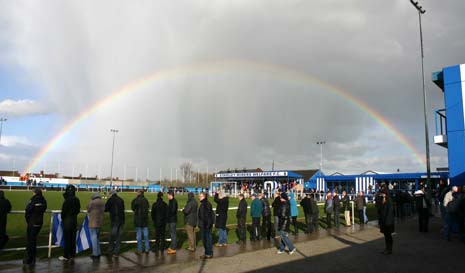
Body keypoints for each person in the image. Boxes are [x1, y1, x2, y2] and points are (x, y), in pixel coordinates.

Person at [24, 189, 47, 265]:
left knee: (31, 241)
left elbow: (28, 209)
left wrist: (28, 219)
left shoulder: (33, 199)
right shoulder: (44, 200)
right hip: (40, 222)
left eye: (33, 193)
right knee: (33, 240)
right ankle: (31, 258)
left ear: (35, 193)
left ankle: (30, 259)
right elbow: (44, 209)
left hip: (32, 222)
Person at [59, 185, 81, 261]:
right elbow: (78, 210)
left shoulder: (67, 200)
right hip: (74, 221)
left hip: (67, 222)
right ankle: (72, 254)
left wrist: (63, 218)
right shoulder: (77, 199)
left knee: (67, 239)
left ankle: (66, 255)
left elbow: (63, 212)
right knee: (72, 239)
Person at [105, 190, 125, 257]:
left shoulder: (111, 200)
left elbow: (106, 209)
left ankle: (110, 250)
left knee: (112, 236)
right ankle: (116, 252)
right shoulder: (121, 199)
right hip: (121, 219)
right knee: (119, 236)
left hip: (115, 219)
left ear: (111, 194)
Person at [131, 190, 150, 254]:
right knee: (146, 235)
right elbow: (148, 207)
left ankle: (140, 250)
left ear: (138, 194)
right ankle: (147, 249)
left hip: (138, 220)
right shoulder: (146, 200)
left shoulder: (135, 200)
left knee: (139, 236)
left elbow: (133, 208)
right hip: (145, 220)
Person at [87, 192, 105, 259]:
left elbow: (88, 209)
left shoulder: (92, 202)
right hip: (100, 222)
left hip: (93, 222)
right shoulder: (102, 202)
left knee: (94, 238)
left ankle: (95, 253)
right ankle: (98, 252)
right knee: (97, 238)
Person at [198, 192, 214, 259]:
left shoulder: (205, 204)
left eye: (200, 196)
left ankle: (208, 253)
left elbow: (207, 215)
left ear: (204, 196)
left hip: (205, 225)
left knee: (206, 240)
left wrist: (207, 224)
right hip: (205, 224)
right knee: (206, 239)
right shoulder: (205, 203)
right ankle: (207, 252)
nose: (199, 197)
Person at [379, 189, 395, 254]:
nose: (381, 195)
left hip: (388, 222)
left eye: (382, 193)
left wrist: (387, 222)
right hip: (384, 221)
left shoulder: (389, 201)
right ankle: (387, 248)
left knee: (388, 236)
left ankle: (389, 249)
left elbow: (390, 213)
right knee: (386, 236)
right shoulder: (383, 200)